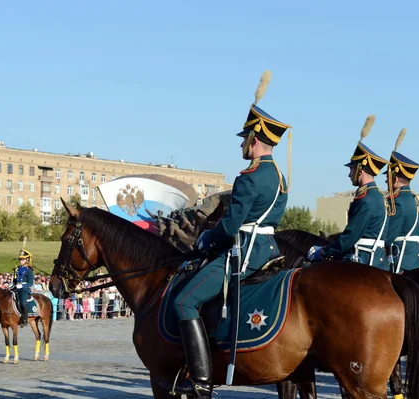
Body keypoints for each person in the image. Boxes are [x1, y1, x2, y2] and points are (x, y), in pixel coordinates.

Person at [166, 71, 290, 399]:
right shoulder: (278, 176)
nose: (241, 144)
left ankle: (201, 381)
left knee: (184, 300)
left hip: (244, 251)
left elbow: (232, 224)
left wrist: (208, 238)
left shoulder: (250, 177)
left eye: (244, 138)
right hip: (269, 247)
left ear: (255, 139)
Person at [308, 115, 389, 270]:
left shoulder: (366, 199)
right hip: (378, 259)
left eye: (351, 169)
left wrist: (323, 253)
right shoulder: (377, 196)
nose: (349, 174)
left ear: (359, 169)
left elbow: (350, 237)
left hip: (362, 259)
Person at [383, 129, 419, 272]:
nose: (385, 180)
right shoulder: (414, 199)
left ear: (394, 179)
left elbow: (389, 237)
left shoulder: (398, 201)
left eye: (387, 177)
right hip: (417, 259)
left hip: (403, 263)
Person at [12, 248, 34, 327]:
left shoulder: (29, 270)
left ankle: (24, 319)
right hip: (16, 288)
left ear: (27, 260)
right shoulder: (17, 269)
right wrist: (12, 285)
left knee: (23, 303)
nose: (20, 261)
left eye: (22, 259)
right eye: (20, 259)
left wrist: (22, 285)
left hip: (24, 289)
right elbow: (15, 280)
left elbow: (30, 283)